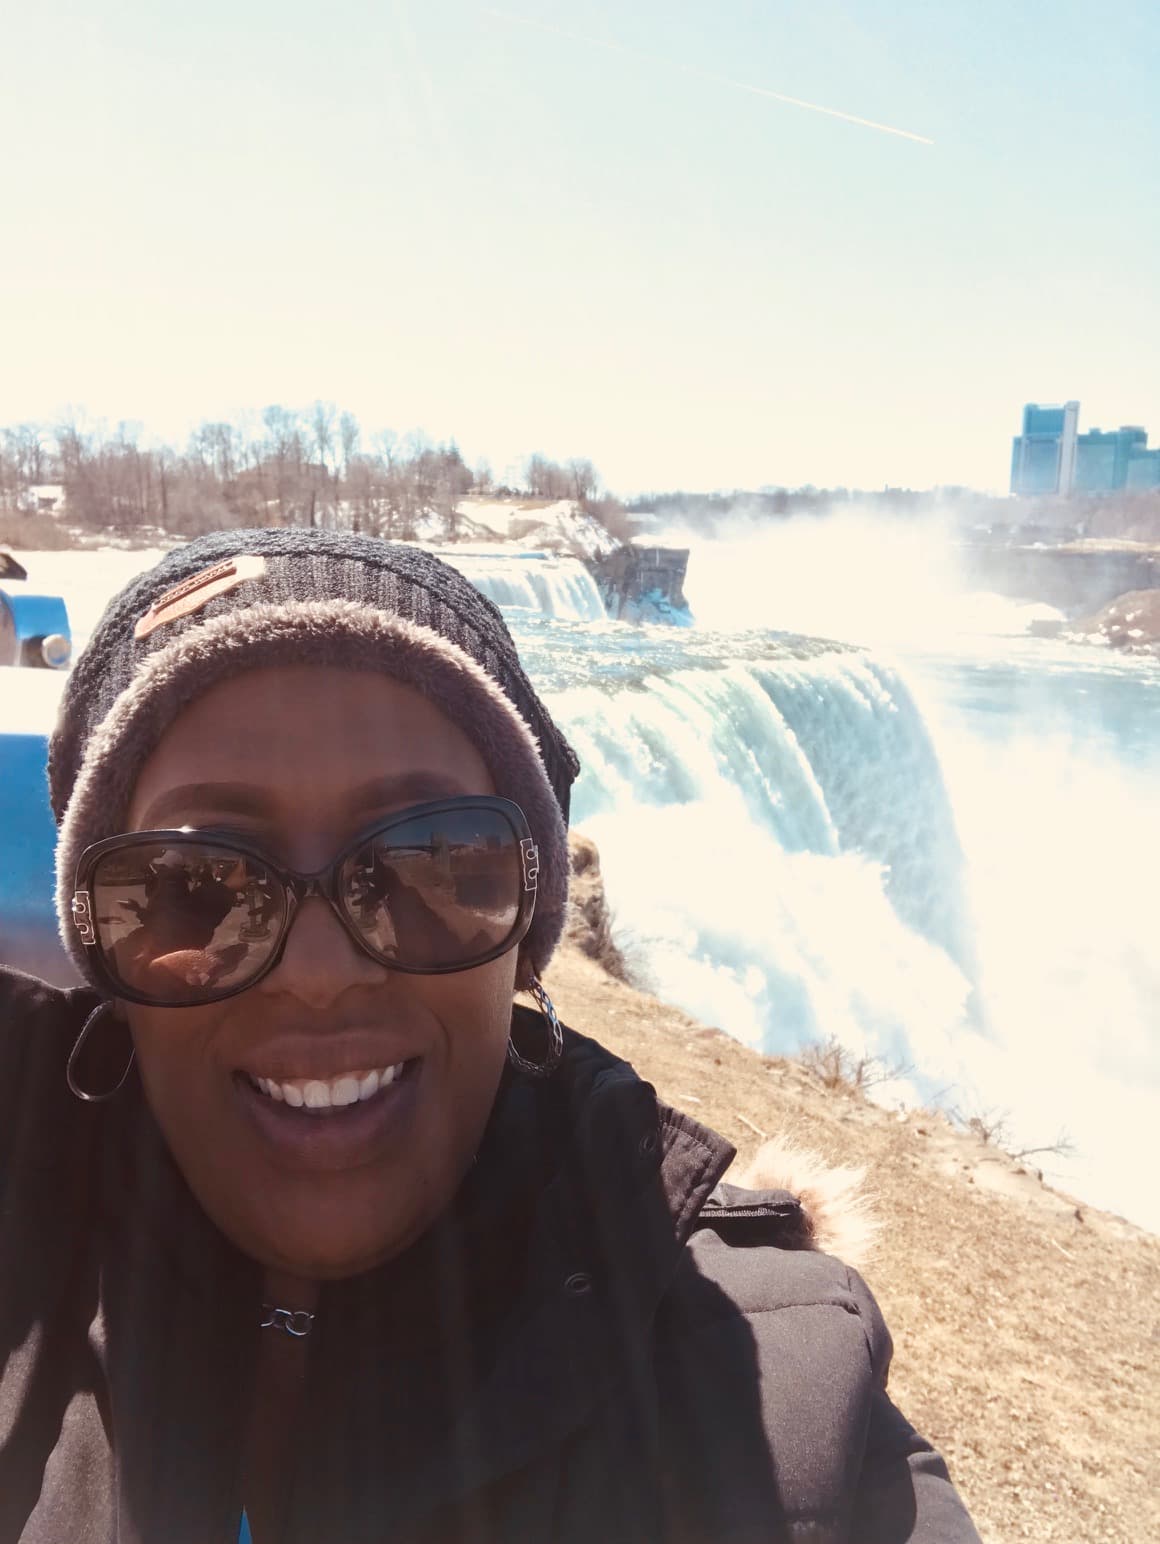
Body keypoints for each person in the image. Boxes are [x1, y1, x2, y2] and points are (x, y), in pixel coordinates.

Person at [0, 528, 981, 1543]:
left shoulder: (783, 1398)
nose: (318, 976)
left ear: (526, 944)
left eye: (432, 862)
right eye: (192, 887)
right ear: (103, 954)